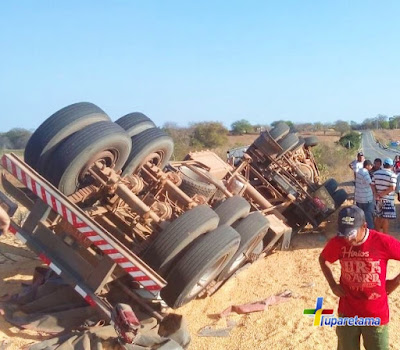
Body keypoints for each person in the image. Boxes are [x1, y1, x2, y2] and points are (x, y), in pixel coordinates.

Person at [319, 205, 400, 350]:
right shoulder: (339, 242)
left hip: (375, 316)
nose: (347, 239)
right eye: (344, 233)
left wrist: (395, 282)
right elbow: (323, 259)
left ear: (364, 226)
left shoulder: (382, 242)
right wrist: (332, 284)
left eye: (351, 233)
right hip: (348, 313)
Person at [371, 158, 397, 233]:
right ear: (391, 166)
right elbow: (392, 187)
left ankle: (377, 235)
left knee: (378, 218)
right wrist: (382, 194)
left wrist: (376, 194)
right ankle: (384, 236)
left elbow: (372, 185)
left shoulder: (376, 173)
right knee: (386, 219)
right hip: (387, 200)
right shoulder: (392, 175)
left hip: (377, 199)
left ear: (383, 165)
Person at [354, 160, 374, 228]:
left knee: (360, 215)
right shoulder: (365, 172)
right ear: (367, 166)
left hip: (359, 197)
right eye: (371, 166)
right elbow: (370, 183)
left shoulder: (359, 171)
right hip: (366, 198)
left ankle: (360, 229)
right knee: (368, 216)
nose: (371, 167)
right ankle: (370, 231)